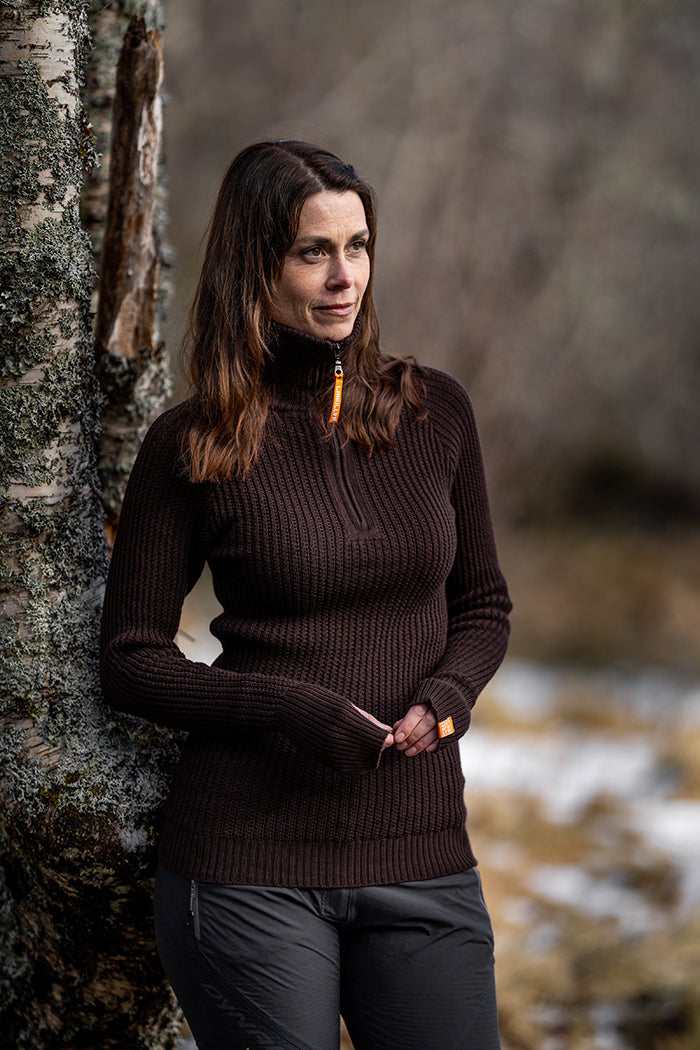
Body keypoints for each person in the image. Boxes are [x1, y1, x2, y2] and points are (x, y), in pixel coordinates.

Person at [100, 139, 512, 1050]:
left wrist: (446, 699)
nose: (343, 277)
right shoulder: (194, 442)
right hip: (246, 864)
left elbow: (484, 605)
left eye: (357, 247)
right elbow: (130, 659)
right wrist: (284, 706)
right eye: (311, 252)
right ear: (256, 265)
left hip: (420, 854)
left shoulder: (436, 412)